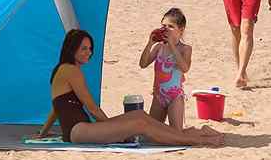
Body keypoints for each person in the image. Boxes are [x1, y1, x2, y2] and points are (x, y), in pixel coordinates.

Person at [35, 29, 224, 146]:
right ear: (71, 48)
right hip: (78, 131)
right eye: (83, 48)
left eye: (90, 48)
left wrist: (43, 132)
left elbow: (56, 107)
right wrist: (114, 128)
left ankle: (187, 134)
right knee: (139, 124)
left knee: (140, 116)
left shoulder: (63, 70)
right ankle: (196, 139)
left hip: (79, 129)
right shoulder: (71, 71)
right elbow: (92, 108)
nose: (88, 53)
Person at [139, 8, 190, 131]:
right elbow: (143, 64)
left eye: (171, 26)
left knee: (176, 132)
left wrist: (172, 45)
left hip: (175, 96)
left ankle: (203, 132)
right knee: (152, 132)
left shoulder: (185, 49)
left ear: (181, 30)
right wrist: (150, 43)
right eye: (163, 25)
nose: (166, 29)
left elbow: (184, 68)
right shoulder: (159, 47)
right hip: (158, 96)